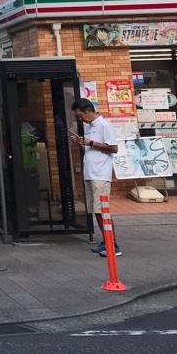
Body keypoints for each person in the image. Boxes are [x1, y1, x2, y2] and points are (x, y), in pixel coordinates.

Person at [69, 99, 120, 257]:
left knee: (102, 210)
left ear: (88, 110)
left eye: (80, 115)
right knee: (96, 210)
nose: (80, 119)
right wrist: (80, 143)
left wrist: (91, 142)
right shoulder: (89, 127)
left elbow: (113, 148)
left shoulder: (104, 125)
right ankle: (106, 241)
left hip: (100, 174)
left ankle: (113, 244)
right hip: (90, 173)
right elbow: (90, 148)